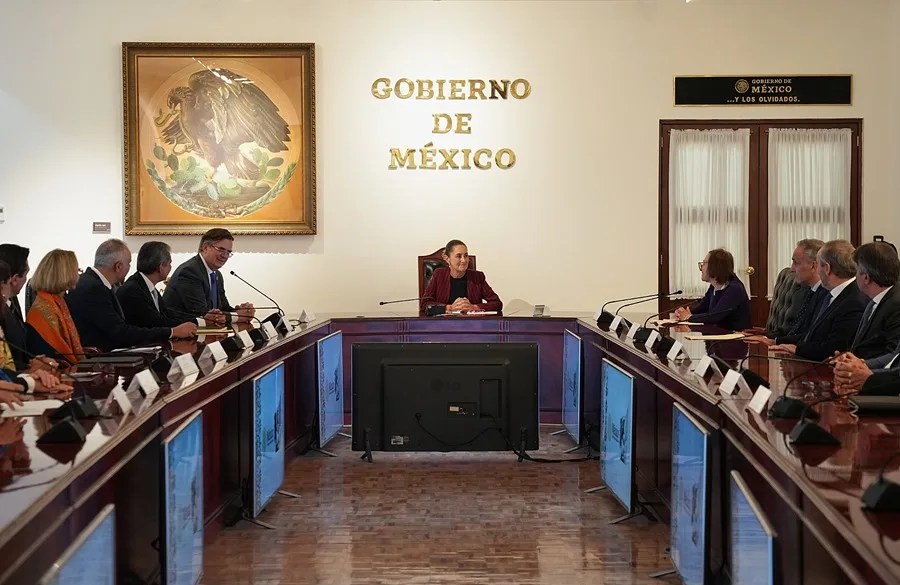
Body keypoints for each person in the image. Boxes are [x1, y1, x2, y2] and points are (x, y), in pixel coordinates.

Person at [66, 239, 197, 351]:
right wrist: (173, 332)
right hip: (101, 358)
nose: (130, 268)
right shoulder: (94, 288)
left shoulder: (93, 282)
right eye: (129, 263)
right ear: (118, 266)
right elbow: (120, 332)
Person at [770, 239, 868, 361]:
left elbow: (835, 348)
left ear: (826, 268)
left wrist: (797, 349)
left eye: (819, 265)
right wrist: (778, 342)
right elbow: (813, 335)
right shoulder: (831, 294)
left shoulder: (854, 301)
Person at [163, 229, 255, 325]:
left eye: (228, 252)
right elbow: (202, 314)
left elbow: (223, 308)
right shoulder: (190, 271)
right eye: (221, 250)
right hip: (179, 335)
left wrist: (244, 312)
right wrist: (238, 316)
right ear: (206, 248)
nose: (225, 256)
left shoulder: (216, 274)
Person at [117, 241, 217, 328]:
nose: (170, 267)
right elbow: (158, 321)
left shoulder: (144, 284)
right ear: (161, 267)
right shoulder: (133, 290)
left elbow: (167, 313)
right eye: (169, 263)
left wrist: (201, 319)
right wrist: (201, 322)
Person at [748, 239, 827, 345]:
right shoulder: (803, 292)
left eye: (796, 263)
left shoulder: (826, 296)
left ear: (813, 266)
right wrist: (761, 336)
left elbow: (810, 336)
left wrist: (774, 341)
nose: (792, 269)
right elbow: (789, 330)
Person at [24, 249, 85, 365]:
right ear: (65, 273)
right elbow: (53, 351)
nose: (78, 273)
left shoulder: (58, 300)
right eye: (75, 269)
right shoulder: (45, 308)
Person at [845, 241, 900, 359]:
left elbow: (893, 357)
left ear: (866, 278)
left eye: (856, 272)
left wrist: (859, 364)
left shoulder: (896, 305)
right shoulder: (874, 300)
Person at [672, 248, 751, 331]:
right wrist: (682, 312)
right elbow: (701, 308)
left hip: (735, 339)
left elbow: (715, 316)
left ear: (715, 266)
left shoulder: (734, 288)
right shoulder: (714, 286)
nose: (701, 268)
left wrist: (689, 317)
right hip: (718, 337)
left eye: (704, 264)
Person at [421, 239, 502, 315]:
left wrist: (473, 307)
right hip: (444, 325)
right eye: (458, 256)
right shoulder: (439, 275)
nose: (464, 260)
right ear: (447, 258)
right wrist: (450, 308)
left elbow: (497, 303)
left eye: (466, 255)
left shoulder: (477, 277)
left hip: (472, 325)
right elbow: (425, 304)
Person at [0, 244, 30, 370]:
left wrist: (33, 362)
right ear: (15, 279)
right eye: (25, 274)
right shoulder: (2, 310)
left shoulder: (11, 304)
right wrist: (30, 368)